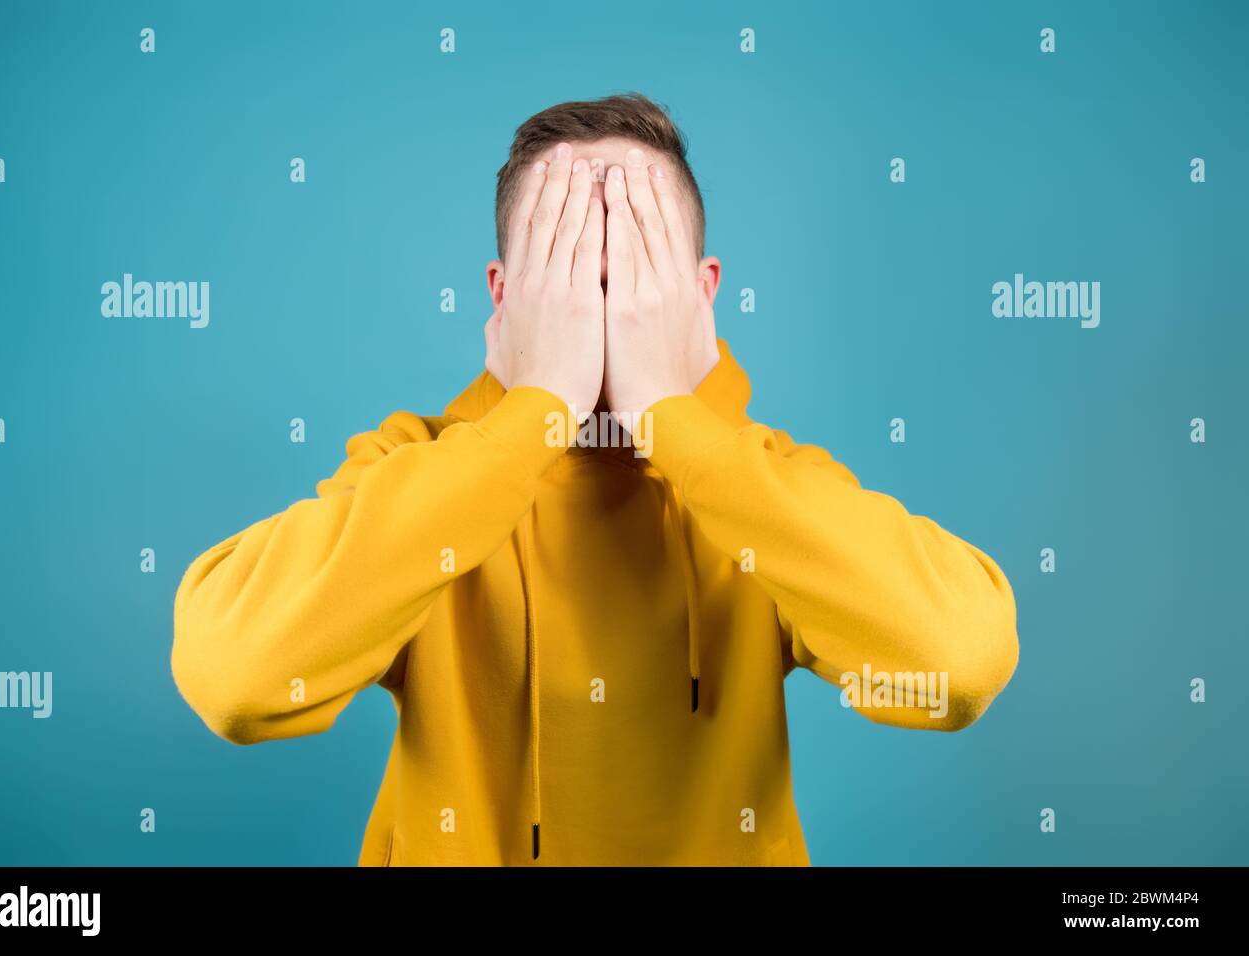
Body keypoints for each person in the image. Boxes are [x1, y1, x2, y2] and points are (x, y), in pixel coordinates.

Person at [170, 93, 1020, 866]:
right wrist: (531, 415)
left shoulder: (764, 487)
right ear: (504, 299)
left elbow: (957, 660)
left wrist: (672, 420)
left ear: (702, 296)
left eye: (639, 277)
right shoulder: (416, 470)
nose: (607, 314)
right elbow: (236, 675)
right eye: (571, 275)